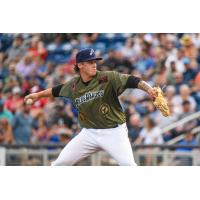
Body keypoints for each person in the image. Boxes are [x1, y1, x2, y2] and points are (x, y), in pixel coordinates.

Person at [24, 48, 158, 166]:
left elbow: (132, 80)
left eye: (95, 61)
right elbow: (56, 90)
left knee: (128, 165)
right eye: (90, 62)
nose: (94, 65)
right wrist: (37, 95)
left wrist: (149, 89)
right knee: (60, 163)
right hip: (89, 133)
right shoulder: (73, 85)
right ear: (80, 65)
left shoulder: (108, 77)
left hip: (114, 132)